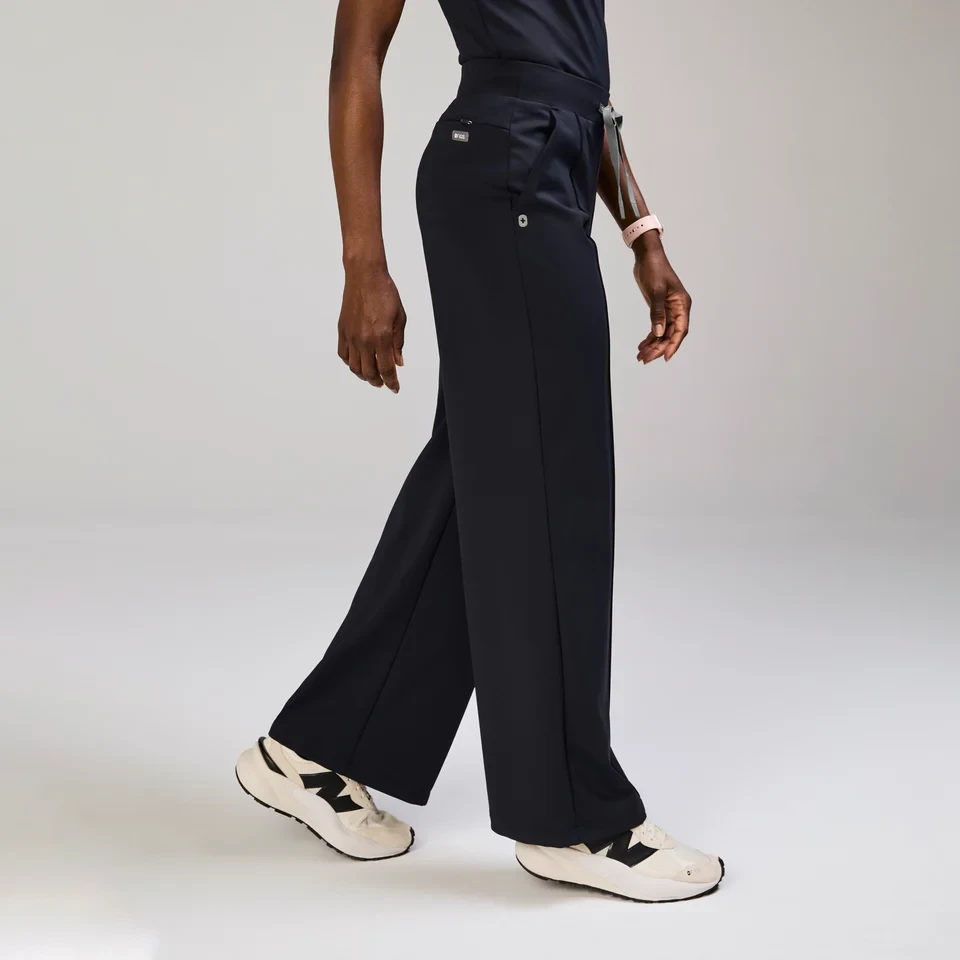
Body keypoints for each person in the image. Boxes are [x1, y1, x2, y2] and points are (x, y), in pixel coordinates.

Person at [235, 0, 724, 903]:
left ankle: (316, 750)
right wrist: (362, 262)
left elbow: (582, 88)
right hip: (503, 176)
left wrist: (642, 235)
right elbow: (356, 56)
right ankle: (573, 820)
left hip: (546, 173)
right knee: (554, 483)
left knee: (485, 478)